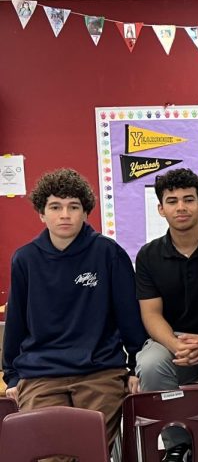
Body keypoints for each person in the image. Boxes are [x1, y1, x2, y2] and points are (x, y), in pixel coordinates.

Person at [3, 169, 146, 453]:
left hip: (100, 372)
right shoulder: (25, 259)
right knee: (49, 452)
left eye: (73, 207)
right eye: (55, 207)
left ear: (85, 212)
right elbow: (16, 321)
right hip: (42, 374)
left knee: (87, 448)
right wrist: (12, 375)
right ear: (42, 214)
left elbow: (128, 316)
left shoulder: (109, 254)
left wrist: (134, 367)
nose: (65, 215)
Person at [135, 169, 198, 461]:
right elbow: (151, 313)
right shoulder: (148, 255)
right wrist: (174, 344)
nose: (181, 207)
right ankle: (178, 444)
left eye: (188, 200)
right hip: (173, 341)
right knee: (150, 363)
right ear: (161, 208)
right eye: (172, 201)